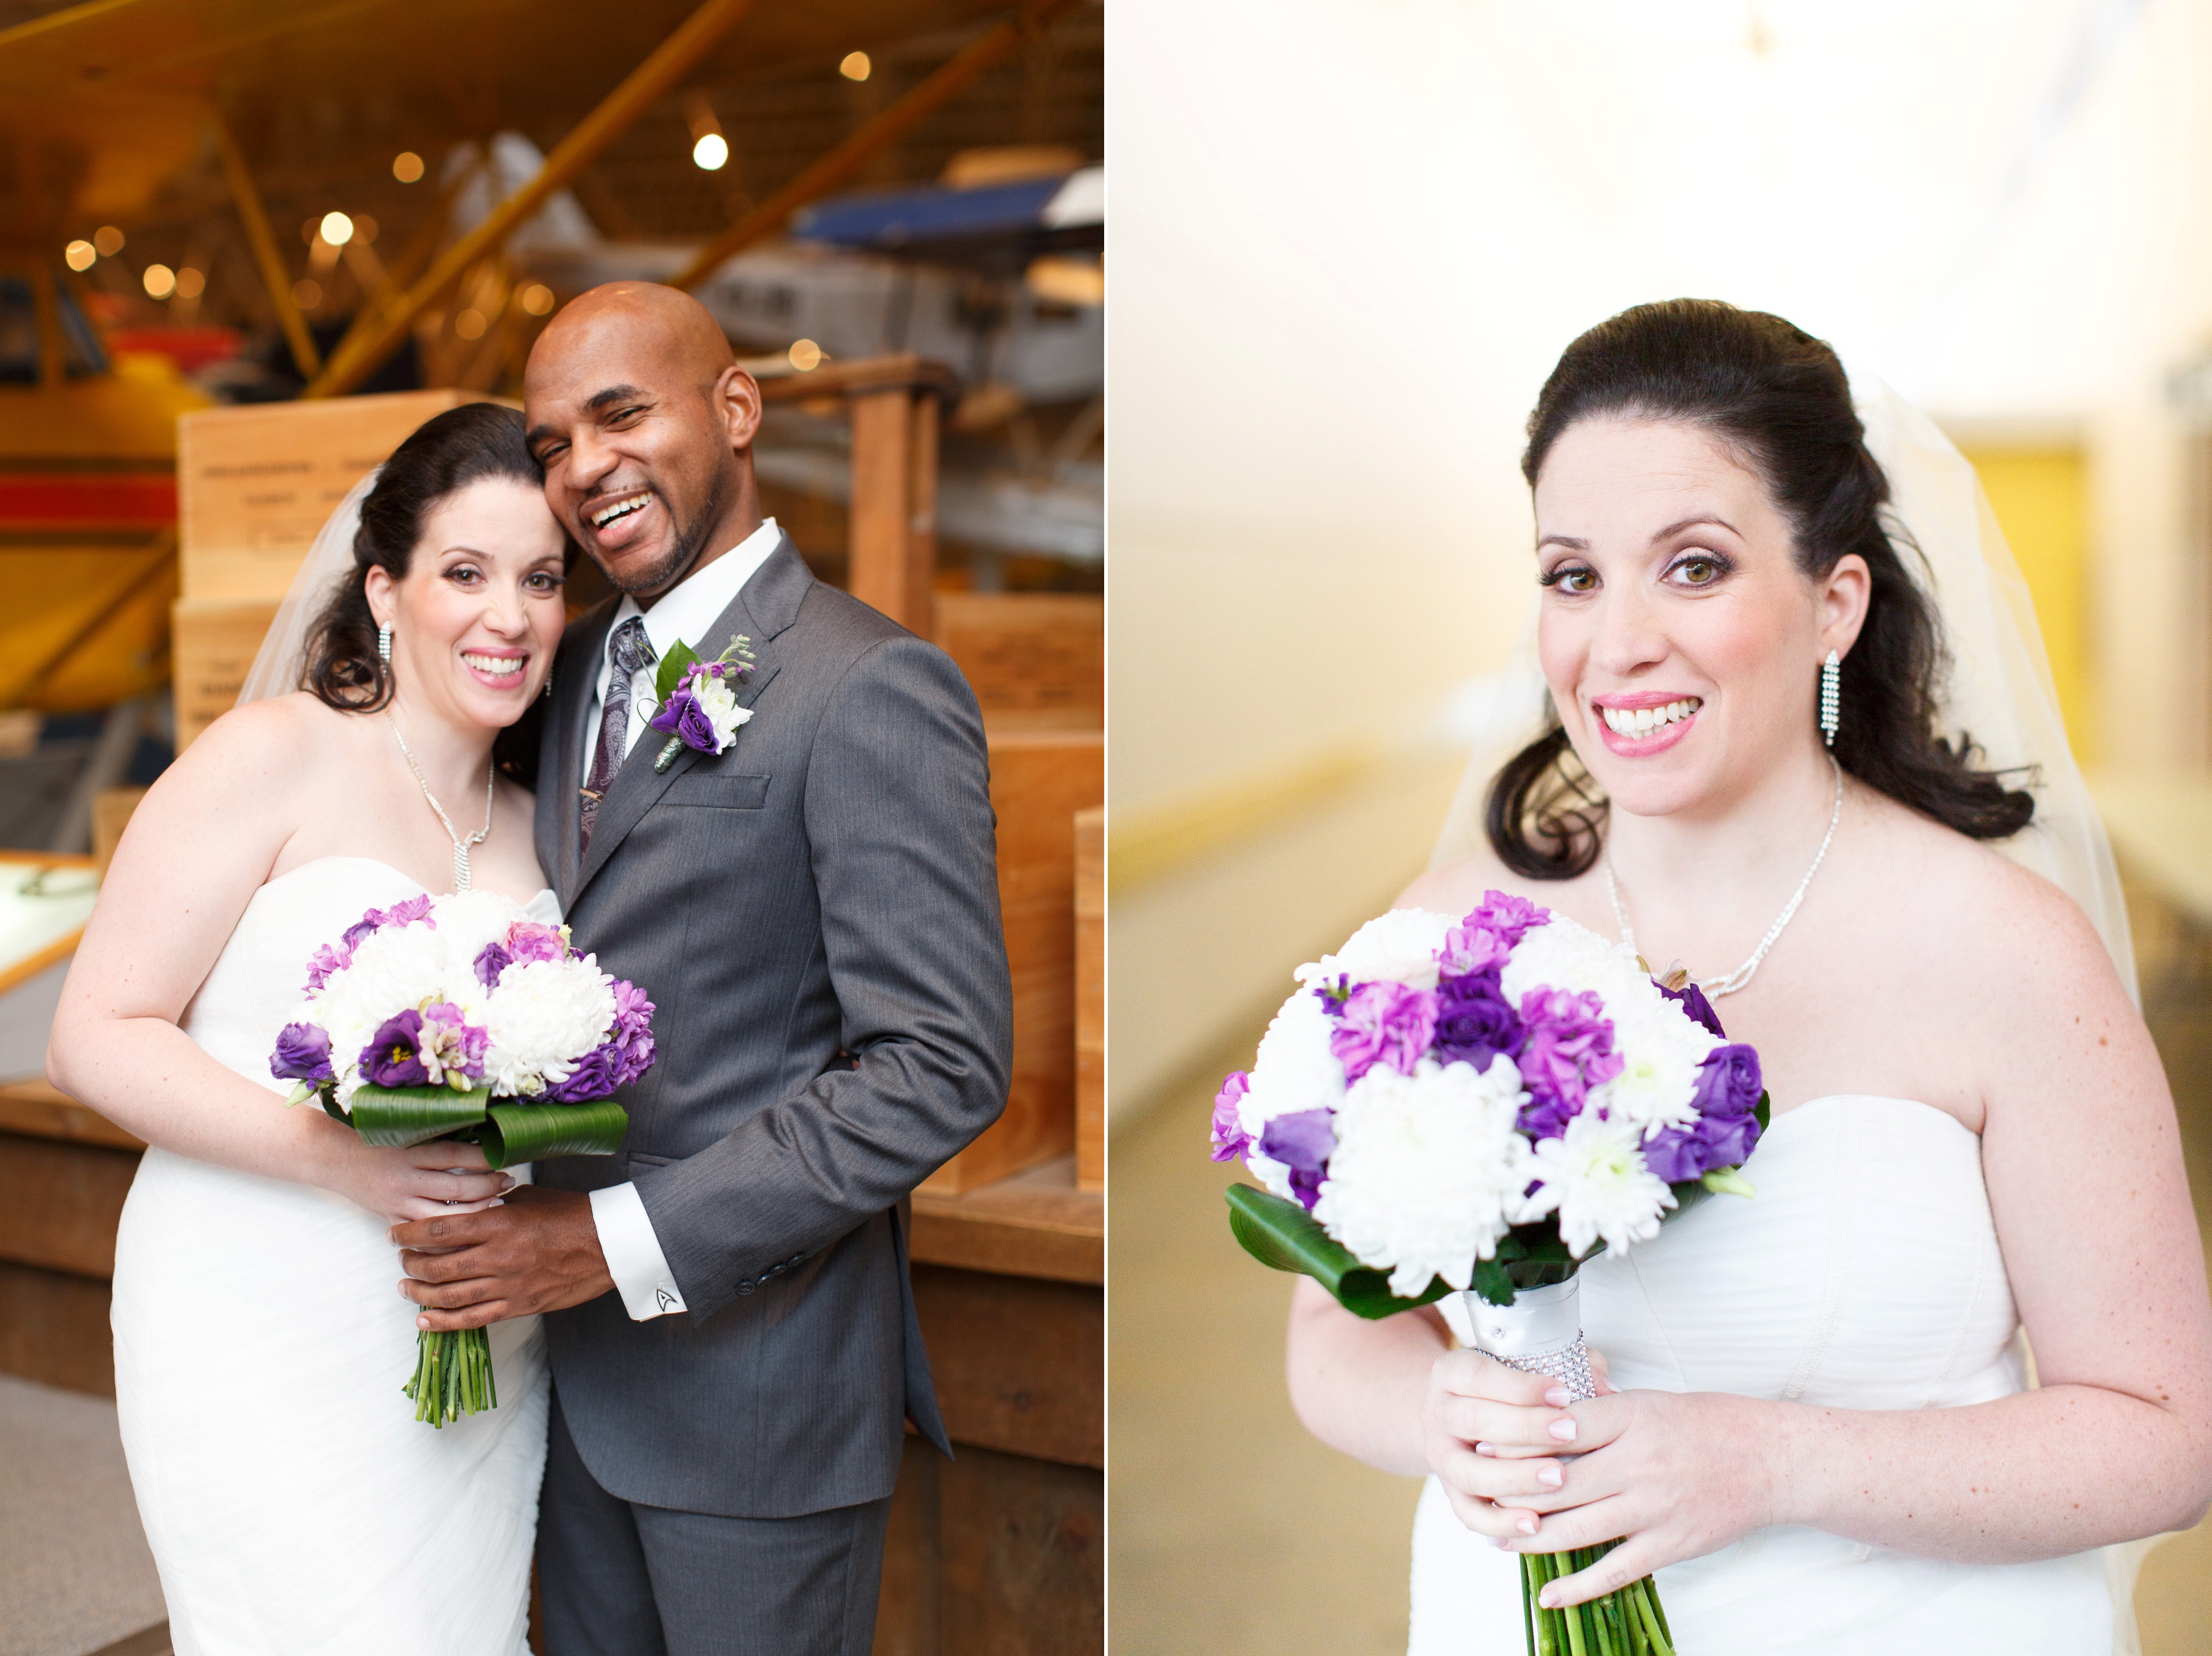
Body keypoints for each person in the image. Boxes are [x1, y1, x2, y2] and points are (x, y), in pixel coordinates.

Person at [1282, 300, 2212, 1654]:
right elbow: (1333, 1332)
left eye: (1695, 567)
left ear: (1836, 601)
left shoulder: (2004, 950)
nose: (1620, 643)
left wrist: (1776, 1465)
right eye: (1573, 575)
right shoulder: (1451, 941)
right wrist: (1434, 1415)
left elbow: (2166, 1436)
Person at [384, 283, 1013, 1655]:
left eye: (622, 414)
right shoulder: (562, 668)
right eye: (551, 443)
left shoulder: (867, 685)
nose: (584, 468)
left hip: (758, 1407)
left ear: (736, 410)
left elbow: (940, 1066)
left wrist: (597, 1245)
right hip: (559, 1397)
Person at [49, 402, 571, 1652]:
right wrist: (346, 1159)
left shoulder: (546, 821)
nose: (510, 615)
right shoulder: (275, 755)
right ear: (384, 591)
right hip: (258, 1305)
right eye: (466, 572)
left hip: (477, 1333)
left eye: (542, 579)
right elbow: (94, 1032)